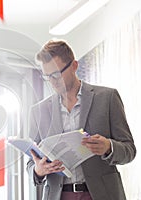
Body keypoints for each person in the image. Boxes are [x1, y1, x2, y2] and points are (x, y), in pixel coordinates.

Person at [26, 39, 136, 200]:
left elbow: (129, 150)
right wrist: (38, 170)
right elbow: (31, 163)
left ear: (74, 66)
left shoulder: (107, 98)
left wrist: (108, 147)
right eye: (47, 76)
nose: (53, 81)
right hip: (58, 195)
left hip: (101, 194)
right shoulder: (38, 111)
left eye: (56, 74)